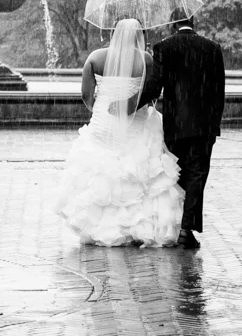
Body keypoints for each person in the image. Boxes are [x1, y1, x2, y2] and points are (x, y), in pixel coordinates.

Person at [54, 18, 184, 247]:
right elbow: (153, 92)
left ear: (113, 33)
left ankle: (99, 228)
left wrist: (99, 112)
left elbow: (86, 95)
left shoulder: (95, 58)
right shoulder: (147, 60)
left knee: (101, 172)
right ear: (138, 36)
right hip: (136, 123)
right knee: (141, 172)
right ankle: (137, 228)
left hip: (104, 124)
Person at [142, 9, 226, 249]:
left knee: (176, 174)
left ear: (172, 25)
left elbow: (154, 88)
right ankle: (186, 230)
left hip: (175, 124)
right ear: (192, 22)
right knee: (197, 176)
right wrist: (213, 125)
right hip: (203, 125)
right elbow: (219, 91)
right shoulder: (212, 48)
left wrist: (132, 106)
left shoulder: (163, 48)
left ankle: (175, 224)